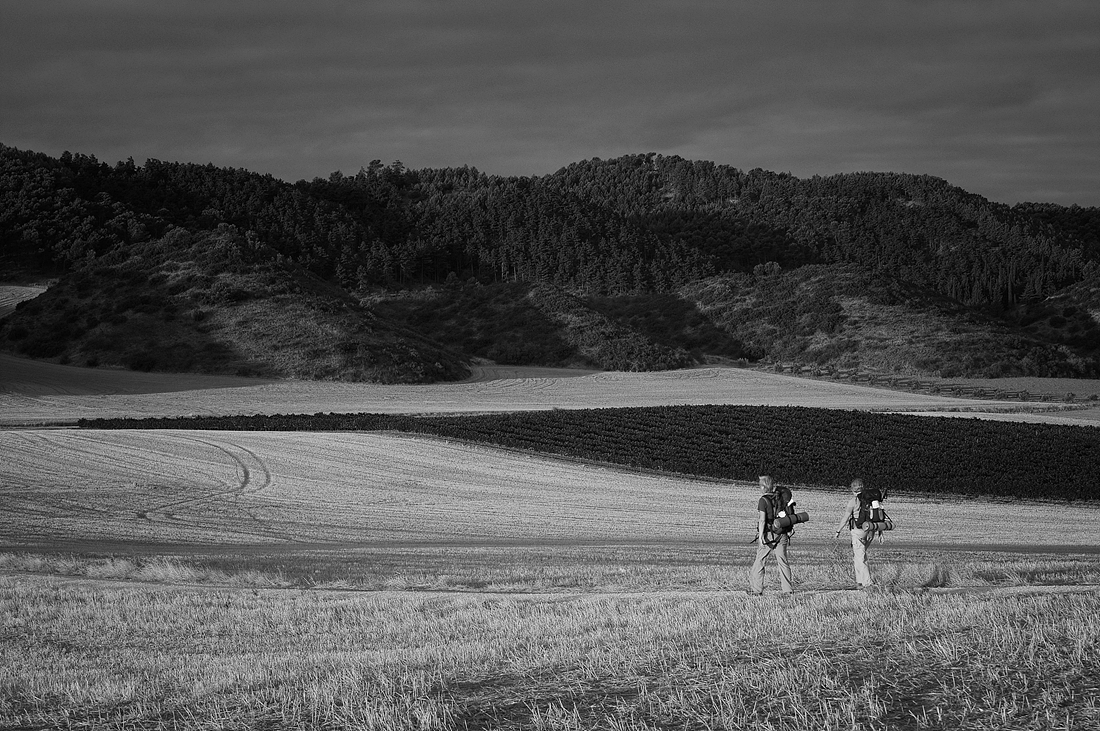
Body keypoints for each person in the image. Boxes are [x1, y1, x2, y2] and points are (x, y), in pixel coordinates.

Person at [747, 475, 794, 595]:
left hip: (769, 535)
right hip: (782, 533)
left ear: (763, 487)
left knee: (760, 561)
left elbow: (762, 520)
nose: (759, 487)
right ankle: (788, 590)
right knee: (783, 562)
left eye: (760, 485)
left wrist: (761, 536)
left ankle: (756, 590)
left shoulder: (763, 500)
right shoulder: (780, 498)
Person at [835, 478, 874, 589]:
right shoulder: (870, 500)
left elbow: (846, 517)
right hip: (869, 531)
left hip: (857, 532)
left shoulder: (853, 501)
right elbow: (875, 516)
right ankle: (859, 582)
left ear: (852, 490)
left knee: (860, 558)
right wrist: (877, 532)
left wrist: (838, 530)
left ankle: (867, 583)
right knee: (858, 556)